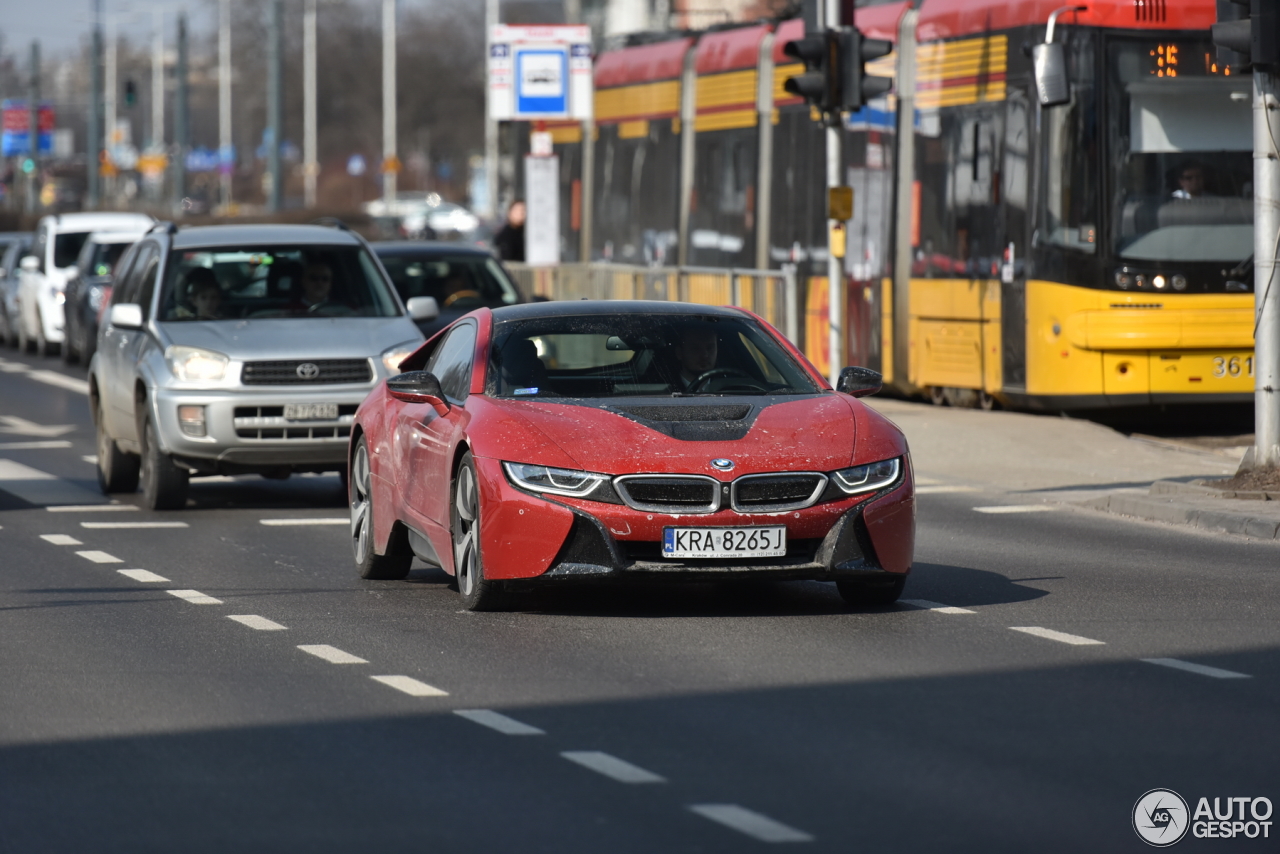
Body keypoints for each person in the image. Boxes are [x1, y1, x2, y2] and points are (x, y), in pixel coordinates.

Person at [673, 327, 719, 391]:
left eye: (710, 348)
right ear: (679, 353)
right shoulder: (662, 391)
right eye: (695, 349)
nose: (705, 355)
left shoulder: (731, 387)